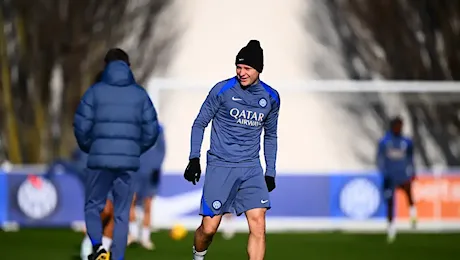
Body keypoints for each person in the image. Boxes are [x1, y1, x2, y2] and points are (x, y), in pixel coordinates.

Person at [183, 40, 280, 260]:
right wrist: (194, 158)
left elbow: (271, 135)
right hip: (221, 166)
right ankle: (198, 257)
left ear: (259, 70)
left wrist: (270, 171)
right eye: (239, 67)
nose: (241, 72)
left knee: (258, 224)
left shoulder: (271, 97)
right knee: (208, 229)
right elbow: (199, 123)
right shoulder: (222, 90)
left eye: (247, 68)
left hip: (251, 168)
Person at [73, 48, 160, 260]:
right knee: (122, 213)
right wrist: (133, 150)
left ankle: (96, 247)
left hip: (98, 161)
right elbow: (152, 131)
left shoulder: (94, 92)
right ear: (128, 67)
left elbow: (80, 126)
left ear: (106, 66)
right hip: (127, 164)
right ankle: (117, 256)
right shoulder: (140, 94)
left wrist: (90, 148)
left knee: (93, 206)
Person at [376, 116, 417, 243]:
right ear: (392, 126)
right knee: (390, 203)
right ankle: (391, 228)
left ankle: (413, 217)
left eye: (401, 126)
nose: (399, 128)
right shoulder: (384, 141)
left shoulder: (406, 141)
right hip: (390, 176)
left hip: (403, 175)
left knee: (409, 194)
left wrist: (412, 171)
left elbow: (411, 157)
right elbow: (379, 158)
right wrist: (383, 172)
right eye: (397, 125)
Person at [127, 124, 166, 250]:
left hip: (151, 173)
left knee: (148, 205)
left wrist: (156, 166)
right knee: (130, 201)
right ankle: (132, 234)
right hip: (135, 170)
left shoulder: (158, 129)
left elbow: (162, 149)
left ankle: (145, 237)